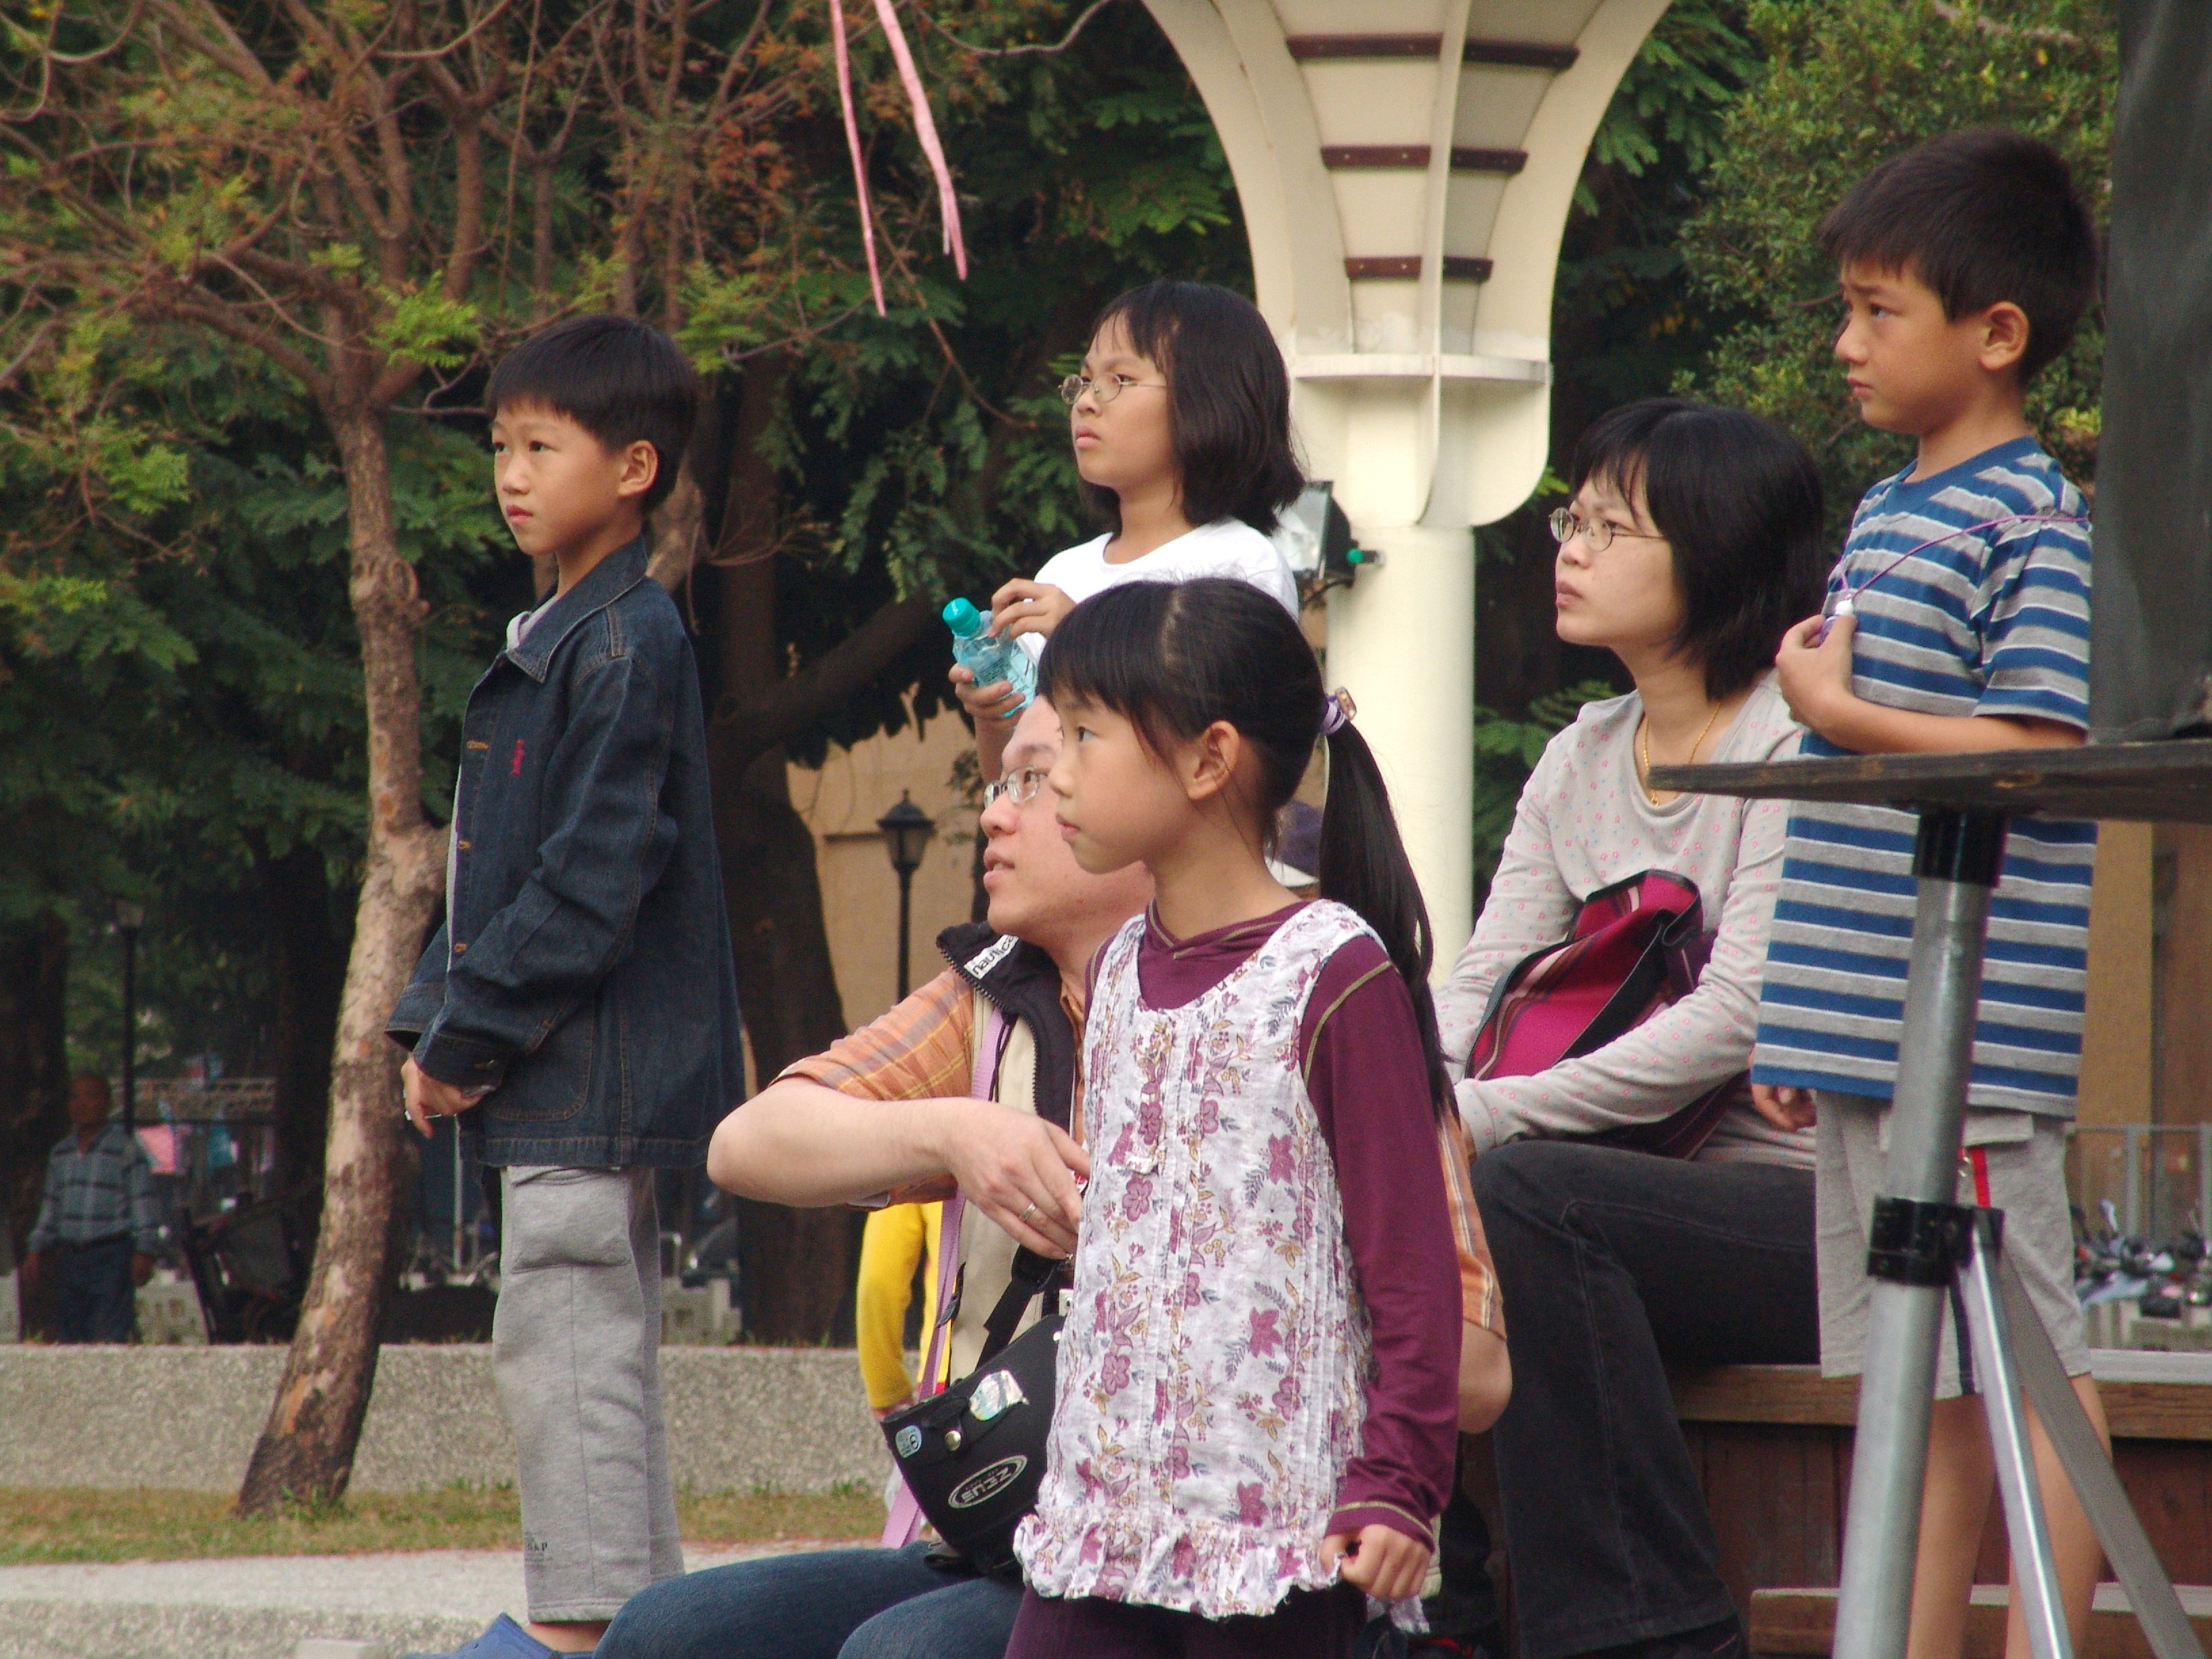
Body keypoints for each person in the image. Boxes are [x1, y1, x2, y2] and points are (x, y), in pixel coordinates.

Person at [599, 694, 1502, 1659]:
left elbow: (1477, 1369)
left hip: (1239, 1542)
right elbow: (747, 1143)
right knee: (667, 1633)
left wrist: (1217, 1289)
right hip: (1008, 1526)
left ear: (1187, 791)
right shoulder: (994, 999)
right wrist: (956, 1133)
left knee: (906, 1655)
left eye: (1045, 771)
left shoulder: (1322, 990)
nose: (1001, 811)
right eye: (1016, 777)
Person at [1750, 129, 2104, 1659]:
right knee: (1913, 1375)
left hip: (1967, 1038)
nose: (1845, 342)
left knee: (2020, 1365)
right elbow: (1844, 786)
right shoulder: (1886, 508)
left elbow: (2040, 746)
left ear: (1995, 332)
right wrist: (1793, 1016)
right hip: (1863, 1029)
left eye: (1876, 309)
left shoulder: (2029, 518)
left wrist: (1839, 713)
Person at [1436, 398, 1828, 1659]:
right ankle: (1429, 1609)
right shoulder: (1582, 752)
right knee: (1406, 1187)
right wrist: (1400, 1103)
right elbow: (1481, 984)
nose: (1571, 548)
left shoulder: (1794, 741)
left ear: (1715, 554)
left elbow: (1737, 1016)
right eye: (1574, 519)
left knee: (1528, 1192)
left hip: (1802, 1217)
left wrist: (1476, 1117)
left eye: (1613, 528)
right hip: (1607, 1203)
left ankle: (1652, 1636)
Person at [1007, 577, 1463, 1658]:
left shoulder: (1335, 974)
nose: (1057, 773)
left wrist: (1399, 1481)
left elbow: (1411, 1266)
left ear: (1209, 759)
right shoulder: (1116, 967)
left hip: (1275, 1538)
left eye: (1084, 735)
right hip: (1101, 1514)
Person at [386, 312, 743, 1659]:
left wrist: (464, 1032)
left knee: (569, 1348)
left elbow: (594, 878)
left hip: (585, 1075)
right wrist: (436, 1022)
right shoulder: (564, 633)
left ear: (634, 467)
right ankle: (633, 1628)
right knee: (586, 1350)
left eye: (541, 446)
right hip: (559, 1064)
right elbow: (490, 870)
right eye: (500, 446)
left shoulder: (623, 641)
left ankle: (579, 1631)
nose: (510, 474)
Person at [953, 279, 1303, 781]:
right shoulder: (1064, 572)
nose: (1085, 402)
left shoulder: (1241, 564)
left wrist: (1082, 635)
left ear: (1211, 401)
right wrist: (994, 712)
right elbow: (1011, 784)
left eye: (1119, 380)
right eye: (1084, 381)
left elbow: (1223, 760)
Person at [22, 1072, 161, 1343]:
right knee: (71, 1338)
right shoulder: (61, 1153)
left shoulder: (125, 1150)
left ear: (107, 1103)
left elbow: (143, 1202)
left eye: (91, 1096)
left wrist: (145, 1251)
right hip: (70, 1257)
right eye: (75, 1097)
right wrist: (36, 1249)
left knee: (108, 1337)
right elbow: (51, 1206)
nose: (81, 1104)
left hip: (111, 1255)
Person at [855, 1201, 943, 1418]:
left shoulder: (921, 1176)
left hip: (950, 1375)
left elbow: (879, 1281)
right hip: (1027, 1356)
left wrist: (886, 1388)